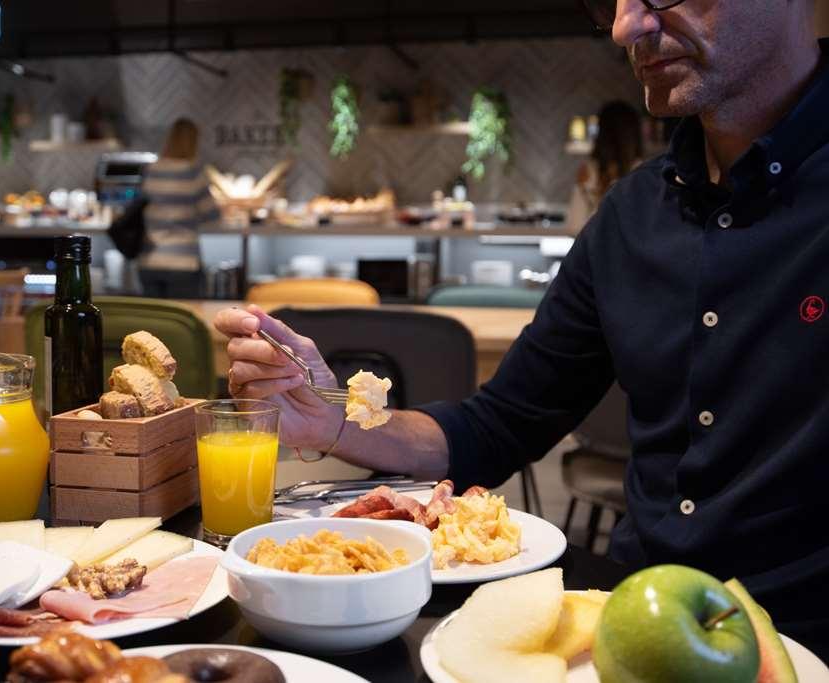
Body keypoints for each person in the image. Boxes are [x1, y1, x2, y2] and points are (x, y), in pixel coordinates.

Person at [215, 0, 829, 660]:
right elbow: (500, 423)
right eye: (610, 2)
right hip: (624, 630)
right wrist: (332, 420)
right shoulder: (631, 215)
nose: (625, 26)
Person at [138, 118, 219, 298]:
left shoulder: (151, 169)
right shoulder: (192, 171)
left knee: (154, 322)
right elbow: (212, 214)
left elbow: (140, 205)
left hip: (149, 260)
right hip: (183, 262)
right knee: (181, 321)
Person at [565, 100, 643, 234]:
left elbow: (574, 227)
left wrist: (584, 190)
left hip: (595, 251)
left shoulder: (590, 171)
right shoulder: (643, 173)